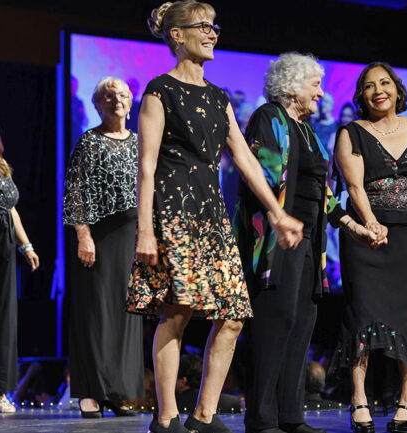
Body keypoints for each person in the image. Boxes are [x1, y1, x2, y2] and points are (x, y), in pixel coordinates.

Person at [127, 2, 303, 432]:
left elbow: (244, 158)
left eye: (214, 26)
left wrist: (278, 213)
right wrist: (145, 230)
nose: (212, 33)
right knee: (177, 312)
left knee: (234, 315)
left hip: (212, 216)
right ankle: (166, 416)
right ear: (176, 35)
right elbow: (146, 166)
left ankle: (204, 415)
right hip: (174, 213)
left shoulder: (218, 96)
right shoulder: (159, 91)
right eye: (202, 26)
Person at [234, 52, 377, 433]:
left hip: (310, 243)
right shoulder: (269, 118)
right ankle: (261, 418)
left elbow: (322, 191)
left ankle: (291, 416)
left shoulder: (308, 130)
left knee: (301, 322)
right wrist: (280, 218)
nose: (320, 93)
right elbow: (261, 176)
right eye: (315, 85)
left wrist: (351, 225)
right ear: (292, 86)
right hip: (277, 240)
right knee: (274, 322)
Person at [331, 61, 407, 433]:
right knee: (361, 314)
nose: (378, 90)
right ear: (361, 96)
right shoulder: (351, 133)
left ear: (397, 89)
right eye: (369, 86)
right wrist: (369, 222)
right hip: (366, 237)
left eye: (385, 83)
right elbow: (354, 185)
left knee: (403, 315)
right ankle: (359, 398)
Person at [63, 77, 144, 418]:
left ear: (130, 102)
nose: (117, 100)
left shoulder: (139, 142)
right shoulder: (89, 141)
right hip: (98, 237)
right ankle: (90, 392)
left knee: (126, 316)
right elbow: (74, 191)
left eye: (122, 95)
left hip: (131, 238)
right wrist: (83, 235)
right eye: (109, 96)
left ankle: (117, 391)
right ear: (98, 104)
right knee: (95, 315)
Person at [0, 107, 40, 413]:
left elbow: (11, 209)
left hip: (4, 244)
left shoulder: (1, 166)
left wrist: (26, 245)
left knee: (3, 317)